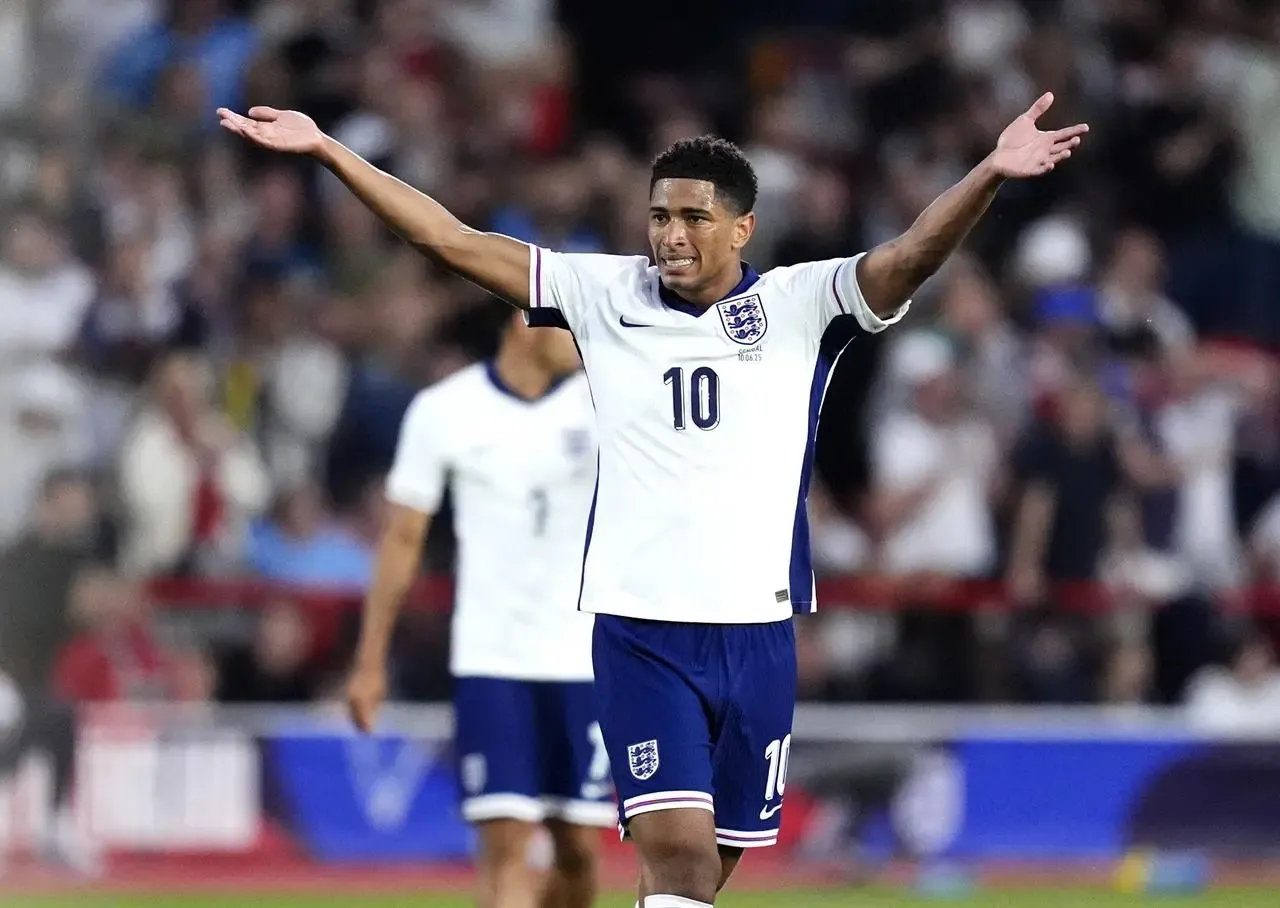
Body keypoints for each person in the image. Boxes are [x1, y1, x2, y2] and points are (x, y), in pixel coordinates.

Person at [220, 91, 1087, 907]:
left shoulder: (801, 304)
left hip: (758, 635)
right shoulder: (604, 295)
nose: (670, 235)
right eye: (660, 215)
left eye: (694, 218)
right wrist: (332, 152)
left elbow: (909, 257)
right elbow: (451, 240)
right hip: (642, 631)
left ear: (743, 227)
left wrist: (987, 176)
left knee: (702, 874)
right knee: (673, 848)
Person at [347, 310, 608, 908]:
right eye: (569, 321)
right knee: (506, 846)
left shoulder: (604, 408)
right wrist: (369, 661)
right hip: (492, 659)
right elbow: (402, 537)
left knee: (579, 853)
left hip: (584, 662)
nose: (583, 338)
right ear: (523, 322)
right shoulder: (445, 411)